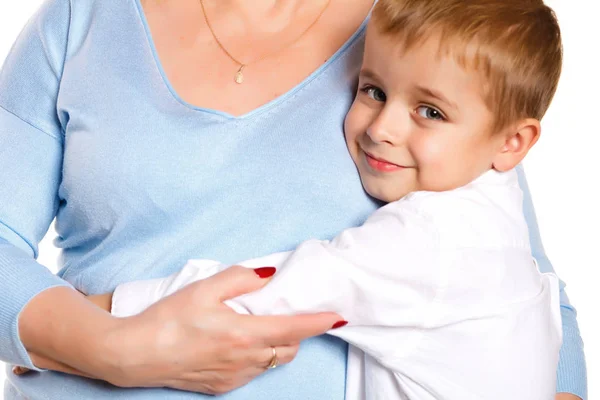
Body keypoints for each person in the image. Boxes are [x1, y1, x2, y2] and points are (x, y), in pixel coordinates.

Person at [0, 0, 586, 399]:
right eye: (370, 93)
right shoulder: (84, 18)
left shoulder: (426, 35)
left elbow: (530, 290)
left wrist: (98, 315)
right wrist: (102, 347)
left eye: (424, 112)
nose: (383, 127)